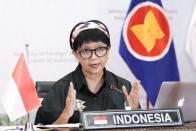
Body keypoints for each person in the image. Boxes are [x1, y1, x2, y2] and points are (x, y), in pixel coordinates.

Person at [35, 20, 140, 125]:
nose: (94, 57)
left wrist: (134, 114)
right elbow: (40, 128)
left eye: (100, 49)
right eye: (86, 51)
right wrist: (65, 115)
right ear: (76, 54)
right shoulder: (61, 89)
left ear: (108, 50)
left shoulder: (122, 88)